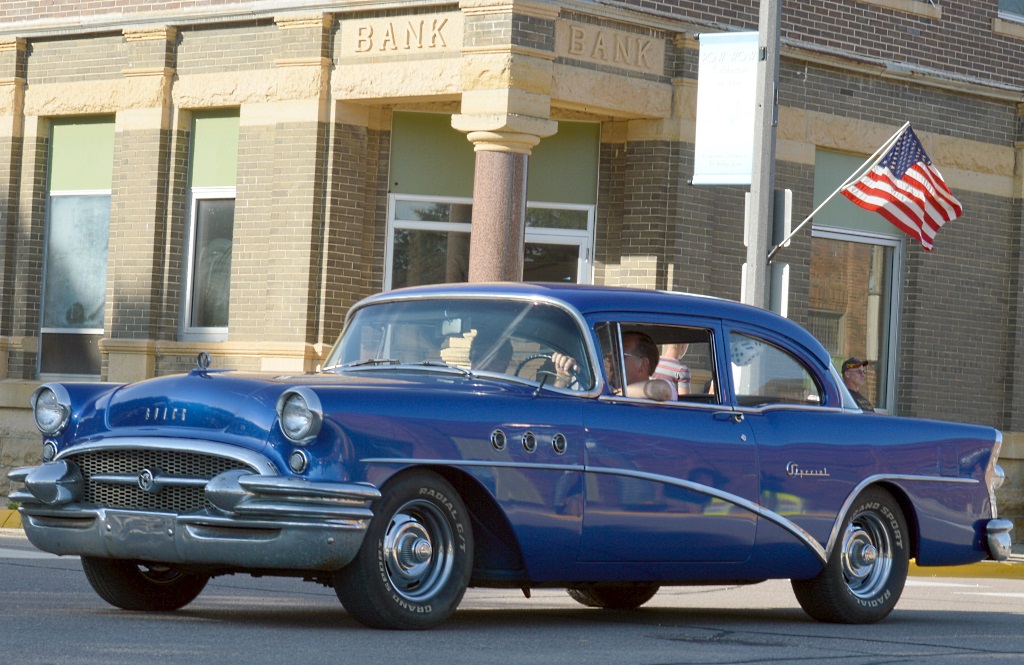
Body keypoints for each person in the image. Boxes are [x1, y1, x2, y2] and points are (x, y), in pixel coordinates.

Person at [553, 331, 676, 401]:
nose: (610, 360)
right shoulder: (594, 387)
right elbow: (556, 410)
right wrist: (562, 378)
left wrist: (612, 393)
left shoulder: (660, 387)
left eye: (618, 355)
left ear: (643, 364)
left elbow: (661, 390)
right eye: (610, 355)